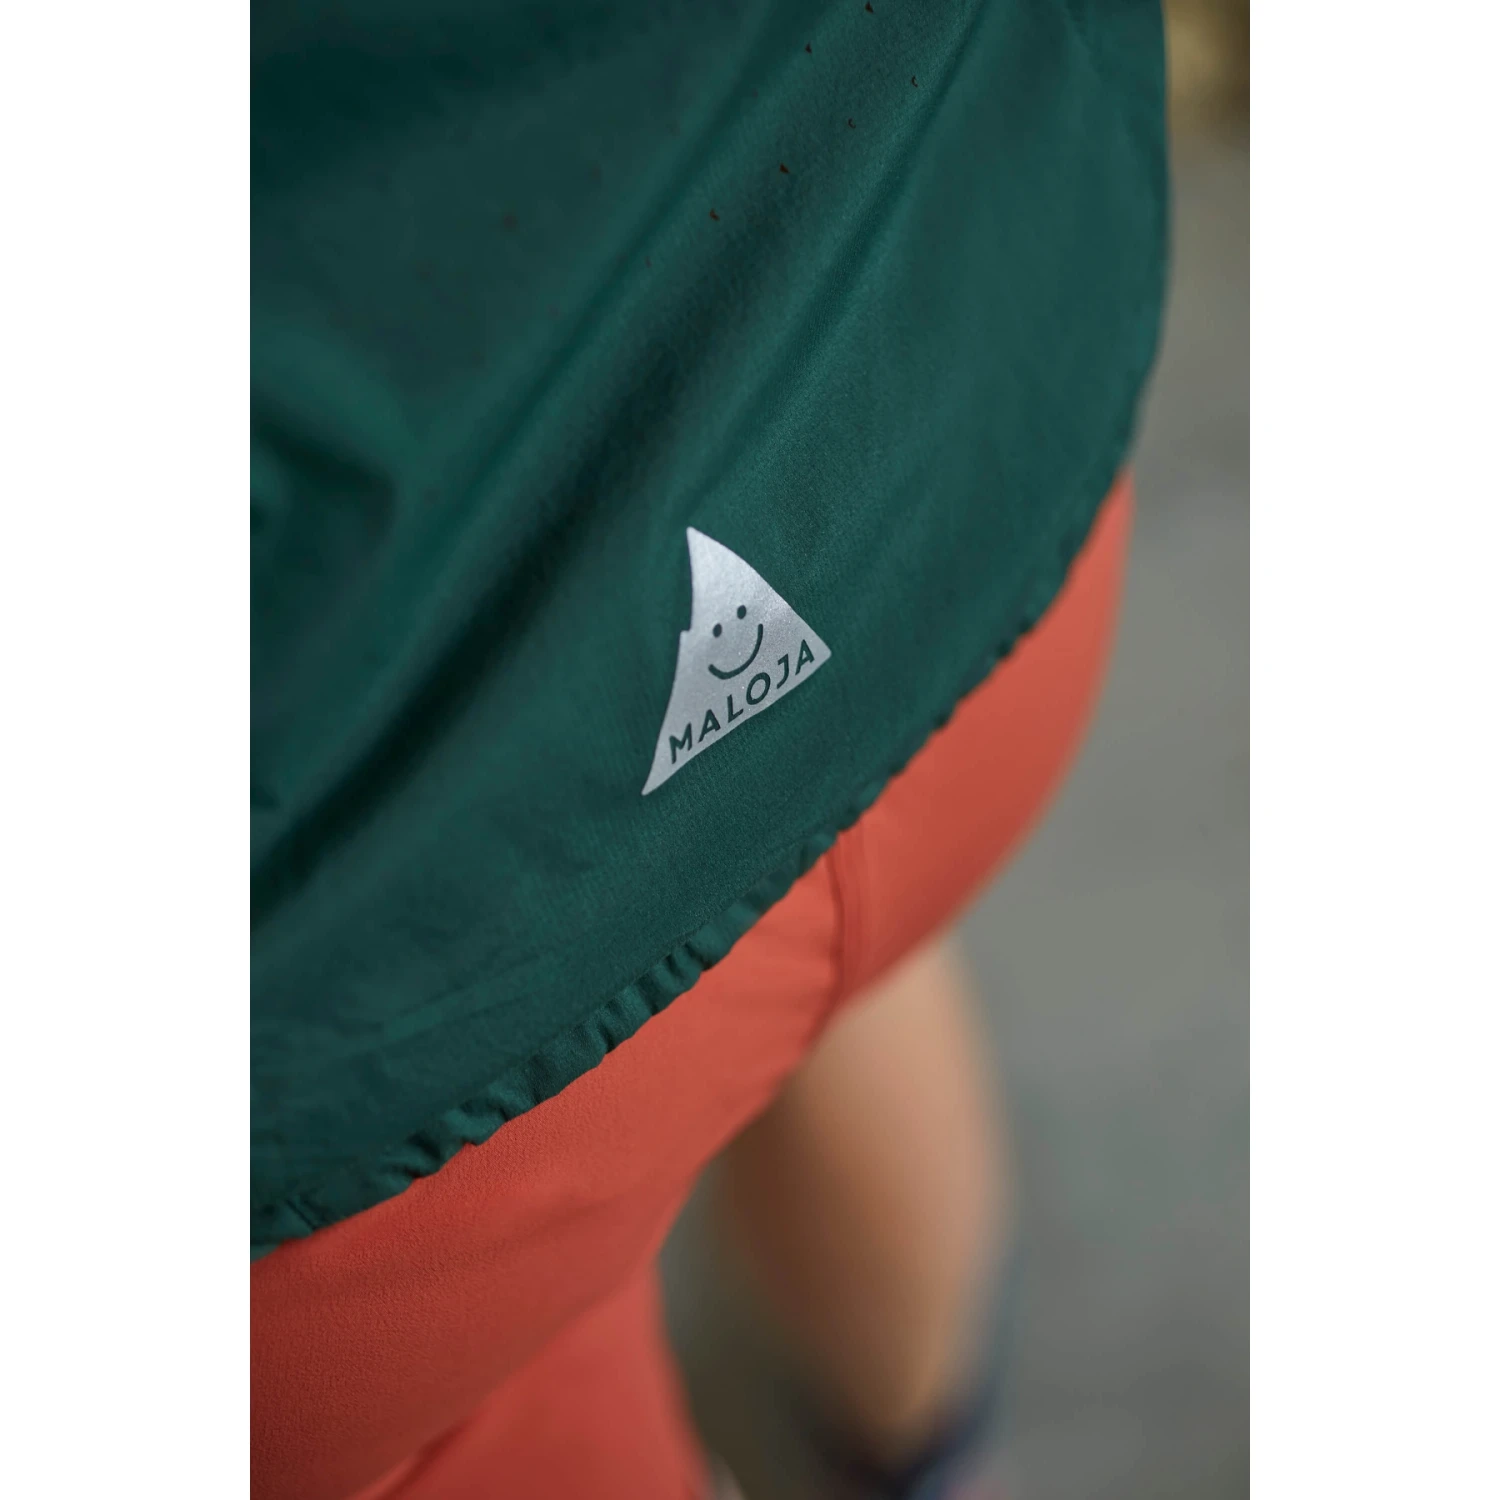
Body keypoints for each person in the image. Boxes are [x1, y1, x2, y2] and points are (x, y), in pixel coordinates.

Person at [251, 3, 1166, 1496]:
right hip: (958, 452)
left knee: (515, 1317)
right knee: (793, 916)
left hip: (402, 1015)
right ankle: (932, 1462)